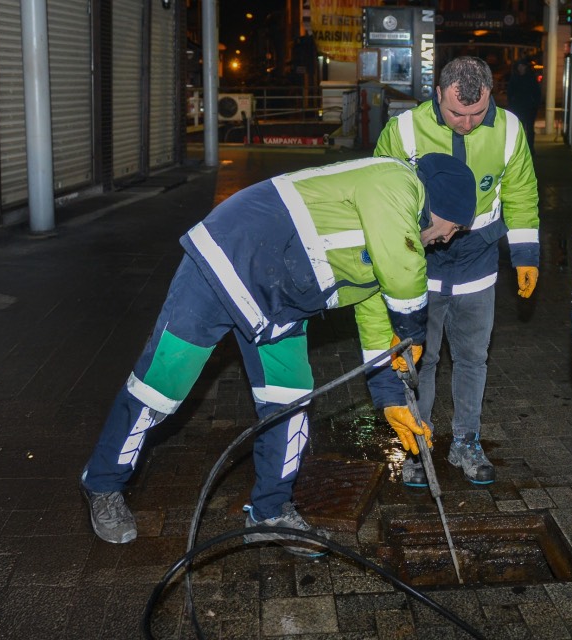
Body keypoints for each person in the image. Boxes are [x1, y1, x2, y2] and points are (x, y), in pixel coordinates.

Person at [79, 154, 478, 554]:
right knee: (159, 390)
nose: (449, 238)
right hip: (225, 263)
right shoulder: (395, 181)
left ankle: (268, 514)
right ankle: (102, 484)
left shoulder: (393, 246)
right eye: (455, 227)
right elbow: (403, 270)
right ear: (440, 206)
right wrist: (412, 329)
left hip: (277, 303)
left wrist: (391, 399)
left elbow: (377, 330)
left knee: (290, 405)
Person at [373, 56, 540, 486]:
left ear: (490, 97)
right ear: (437, 95)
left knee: (472, 357)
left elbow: (521, 190)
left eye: (477, 113)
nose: (466, 123)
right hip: (420, 255)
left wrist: (525, 255)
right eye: (455, 114)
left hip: (478, 258)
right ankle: (417, 445)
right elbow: (378, 195)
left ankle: (466, 441)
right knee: (415, 361)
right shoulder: (404, 130)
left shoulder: (509, 129)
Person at [506, 59, 542, 151]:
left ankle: (530, 148)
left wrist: (535, 104)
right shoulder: (514, 78)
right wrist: (511, 104)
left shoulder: (531, 78)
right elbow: (510, 93)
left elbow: (537, 92)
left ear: (526, 67)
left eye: (522, 66)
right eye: (519, 66)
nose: (520, 68)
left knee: (529, 128)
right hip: (517, 107)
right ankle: (519, 148)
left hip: (529, 107)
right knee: (519, 128)